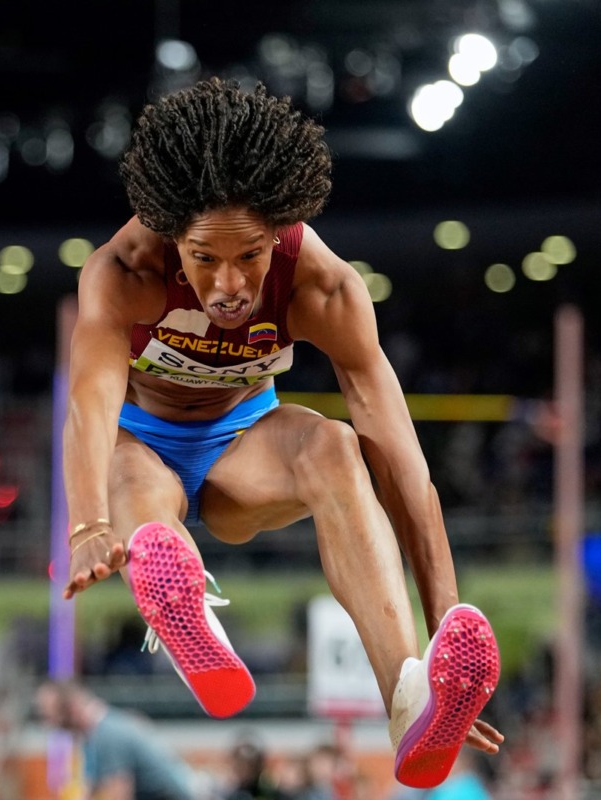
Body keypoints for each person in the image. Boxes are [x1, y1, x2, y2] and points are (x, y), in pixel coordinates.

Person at [60, 76, 502, 789]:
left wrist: (447, 622)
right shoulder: (125, 271)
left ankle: (412, 696)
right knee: (136, 481)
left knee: (335, 445)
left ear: (280, 232)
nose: (230, 285)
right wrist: (86, 524)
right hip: (139, 444)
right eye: (205, 258)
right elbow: (88, 402)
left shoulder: (320, 284)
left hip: (243, 449)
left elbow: (403, 465)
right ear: (173, 238)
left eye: (251, 256)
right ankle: (179, 602)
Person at [35, 678, 196, 800]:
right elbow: (89, 790)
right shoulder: (92, 738)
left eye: (50, 715)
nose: (49, 723)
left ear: (72, 708)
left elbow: (119, 793)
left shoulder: (108, 734)